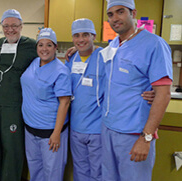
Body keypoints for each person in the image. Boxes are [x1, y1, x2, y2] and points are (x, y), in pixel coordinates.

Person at [99, 0, 172, 180]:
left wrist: (146, 138)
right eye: (110, 14)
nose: (115, 18)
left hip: (133, 134)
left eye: (120, 12)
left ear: (133, 13)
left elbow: (163, 94)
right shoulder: (114, 45)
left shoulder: (154, 44)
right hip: (108, 129)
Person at [0, 9, 38, 181]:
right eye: (6, 26)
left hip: (13, 105)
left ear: (21, 26)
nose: (10, 30)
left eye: (14, 26)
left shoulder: (31, 46)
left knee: (12, 147)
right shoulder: (0, 43)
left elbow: (49, 51)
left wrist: (75, 50)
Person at [20, 28, 71, 181]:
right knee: (35, 169)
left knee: (52, 172)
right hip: (30, 129)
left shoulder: (61, 71)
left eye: (49, 45)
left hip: (50, 132)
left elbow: (65, 102)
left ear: (56, 47)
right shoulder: (34, 63)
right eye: (40, 45)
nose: (44, 49)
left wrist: (56, 133)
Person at [65, 19, 104, 181]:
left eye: (85, 35)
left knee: (98, 171)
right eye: (77, 36)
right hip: (76, 127)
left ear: (94, 35)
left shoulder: (105, 57)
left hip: (97, 128)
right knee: (80, 170)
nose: (81, 39)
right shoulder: (70, 60)